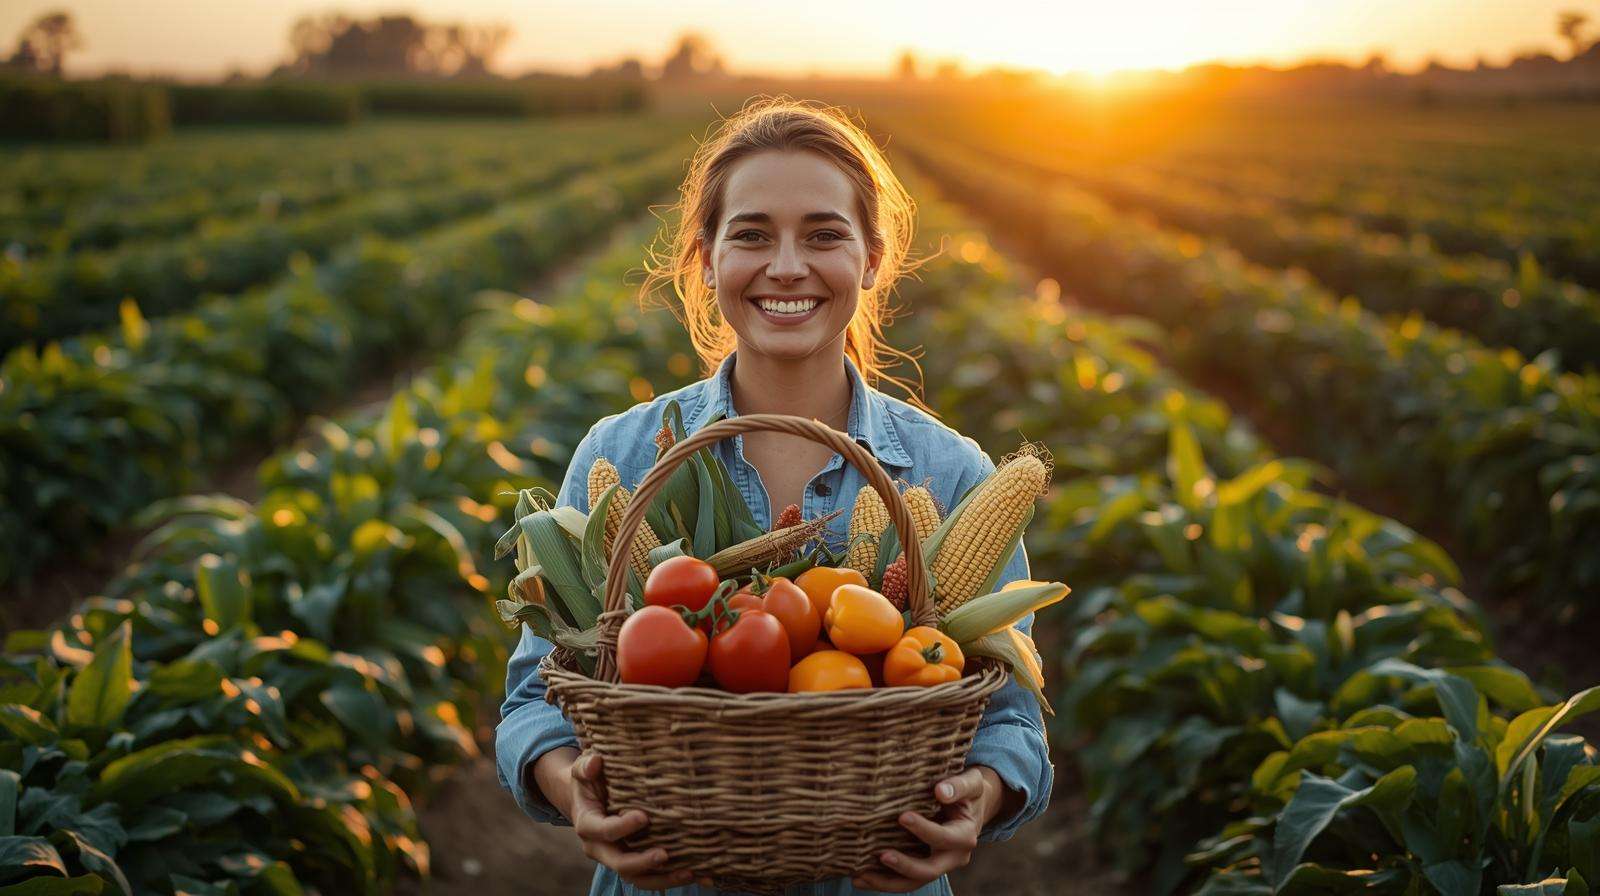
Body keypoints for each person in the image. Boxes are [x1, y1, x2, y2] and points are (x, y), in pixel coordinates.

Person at [495, 96, 1052, 896]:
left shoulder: (946, 471)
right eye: (751, 235)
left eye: (824, 235)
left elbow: (1013, 716)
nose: (786, 266)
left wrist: (984, 793)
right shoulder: (619, 455)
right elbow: (531, 699)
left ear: (871, 260)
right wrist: (566, 786)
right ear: (705, 259)